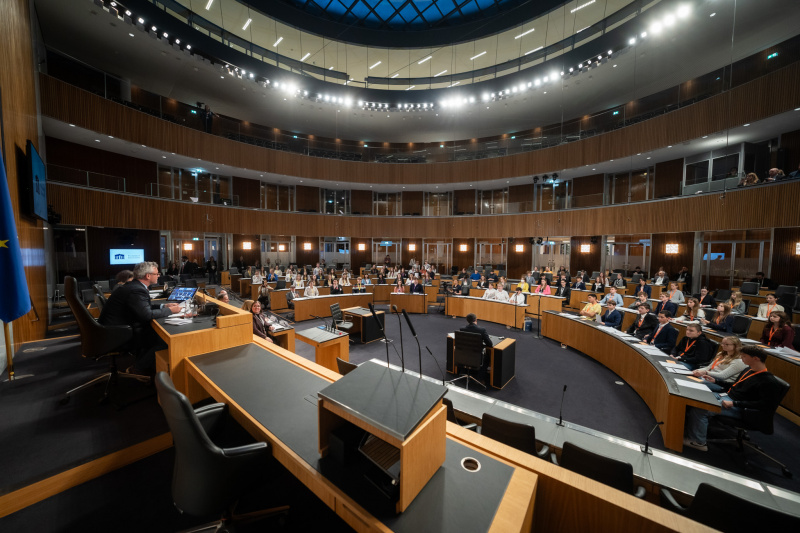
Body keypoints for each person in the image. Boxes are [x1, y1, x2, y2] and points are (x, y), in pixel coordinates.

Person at [684, 346, 783, 452]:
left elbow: (764, 404)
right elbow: (735, 385)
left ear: (756, 358)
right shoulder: (748, 369)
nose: (741, 358)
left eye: (744, 356)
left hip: (741, 409)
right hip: (728, 397)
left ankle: (698, 442)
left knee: (700, 408)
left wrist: (734, 403)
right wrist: (716, 382)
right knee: (695, 396)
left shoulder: (768, 381)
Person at [98, 261, 181, 374]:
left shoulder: (133, 286)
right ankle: (138, 368)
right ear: (148, 276)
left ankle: (142, 362)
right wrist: (170, 310)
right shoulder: (137, 290)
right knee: (164, 340)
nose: (158, 276)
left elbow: (142, 307)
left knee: (153, 333)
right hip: (118, 333)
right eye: (157, 274)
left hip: (111, 329)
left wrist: (164, 305)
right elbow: (146, 315)